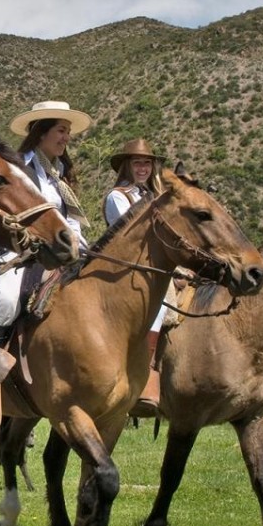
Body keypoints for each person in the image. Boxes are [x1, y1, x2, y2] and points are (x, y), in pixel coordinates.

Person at [0, 100, 93, 344]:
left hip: (57, 251)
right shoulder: (18, 170)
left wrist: (79, 247)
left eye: (68, 132)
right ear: (41, 132)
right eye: (61, 130)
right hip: (14, 253)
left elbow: (70, 220)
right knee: (6, 300)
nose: (67, 138)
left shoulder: (60, 173)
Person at [104, 138, 167, 417]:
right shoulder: (118, 197)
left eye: (147, 163)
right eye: (137, 162)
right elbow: (136, 238)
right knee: (161, 304)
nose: (143, 168)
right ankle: (147, 373)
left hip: (155, 264)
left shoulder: (155, 195)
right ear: (128, 166)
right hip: (129, 267)